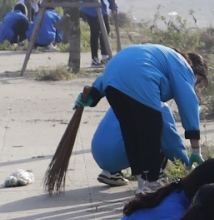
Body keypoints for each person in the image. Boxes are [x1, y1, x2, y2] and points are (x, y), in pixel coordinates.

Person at [86, 43, 207, 192]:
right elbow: (188, 102)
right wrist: (195, 150)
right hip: (140, 80)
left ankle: (143, 181)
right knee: (152, 131)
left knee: (131, 132)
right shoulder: (183, 65)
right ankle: (151, 183)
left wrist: (94, 94)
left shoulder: (159, 56)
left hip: (112, 81)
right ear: (194, 70)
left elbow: (118, 69)